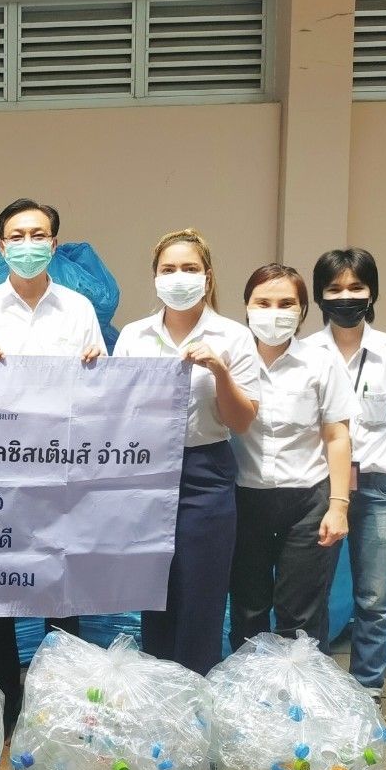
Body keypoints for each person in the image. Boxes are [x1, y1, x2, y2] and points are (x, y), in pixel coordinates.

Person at [0, 197, 104, 733]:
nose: (28, 244)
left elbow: (101, 392)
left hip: (60, 475)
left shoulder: (79, 311)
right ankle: (4, 709)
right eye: (17, 236)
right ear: (0, 246)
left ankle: (66, 712)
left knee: (63, 593)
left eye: (39, 235)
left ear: (54, 245)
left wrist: (95, 368)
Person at [113, 228, 259, 676]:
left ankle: (197, 692)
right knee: (155, 588)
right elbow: (114, 410)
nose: (179, 277)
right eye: (169, 269)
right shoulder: (135, 337)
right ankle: (160, 692)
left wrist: (218, 370)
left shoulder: (233, 336)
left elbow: (242, 421)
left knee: (202, 591)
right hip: (147, 470)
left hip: (205, 470)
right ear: (155, 278)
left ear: (208, 277)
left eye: (190, 269)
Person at [304, 247, 386, 699]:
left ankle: (367, 688)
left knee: (374, 597)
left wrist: (367, 450)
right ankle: (315, 688)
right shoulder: (306, 351)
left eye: (356, 287)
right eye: (334, 288)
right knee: (314, 594)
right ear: (319, 296)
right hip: (322, 486)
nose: (346, 296)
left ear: (372, 293)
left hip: (380, 485)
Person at [228, 263, 355, 654]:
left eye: (286, 303)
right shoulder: (229, 360)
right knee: (248, 609)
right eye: (262, 302)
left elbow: (337, 435)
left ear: (302, 311)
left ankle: (301, 701)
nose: (274, 312)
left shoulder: (321, 362)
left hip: (307, 502)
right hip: (244, 498)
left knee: (299, 613)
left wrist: (338, 506)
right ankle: (247, 694)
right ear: (246, 307)